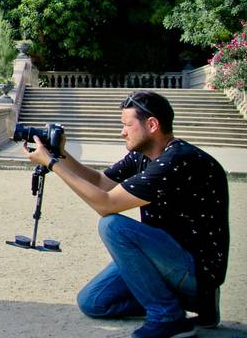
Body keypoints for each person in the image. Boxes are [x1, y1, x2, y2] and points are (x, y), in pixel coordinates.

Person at [23, 90, 229, 338]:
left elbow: (106, 203)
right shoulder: (143, 156)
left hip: (196, 270)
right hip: (164, 259)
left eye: (127, 125)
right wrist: (61, 155)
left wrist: (52, 164)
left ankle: (169, 316)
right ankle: (189, 304)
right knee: (94, 302)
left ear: (152, 124)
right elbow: (101, 181)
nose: (122, 132)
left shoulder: (177, 161)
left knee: (112, 226)